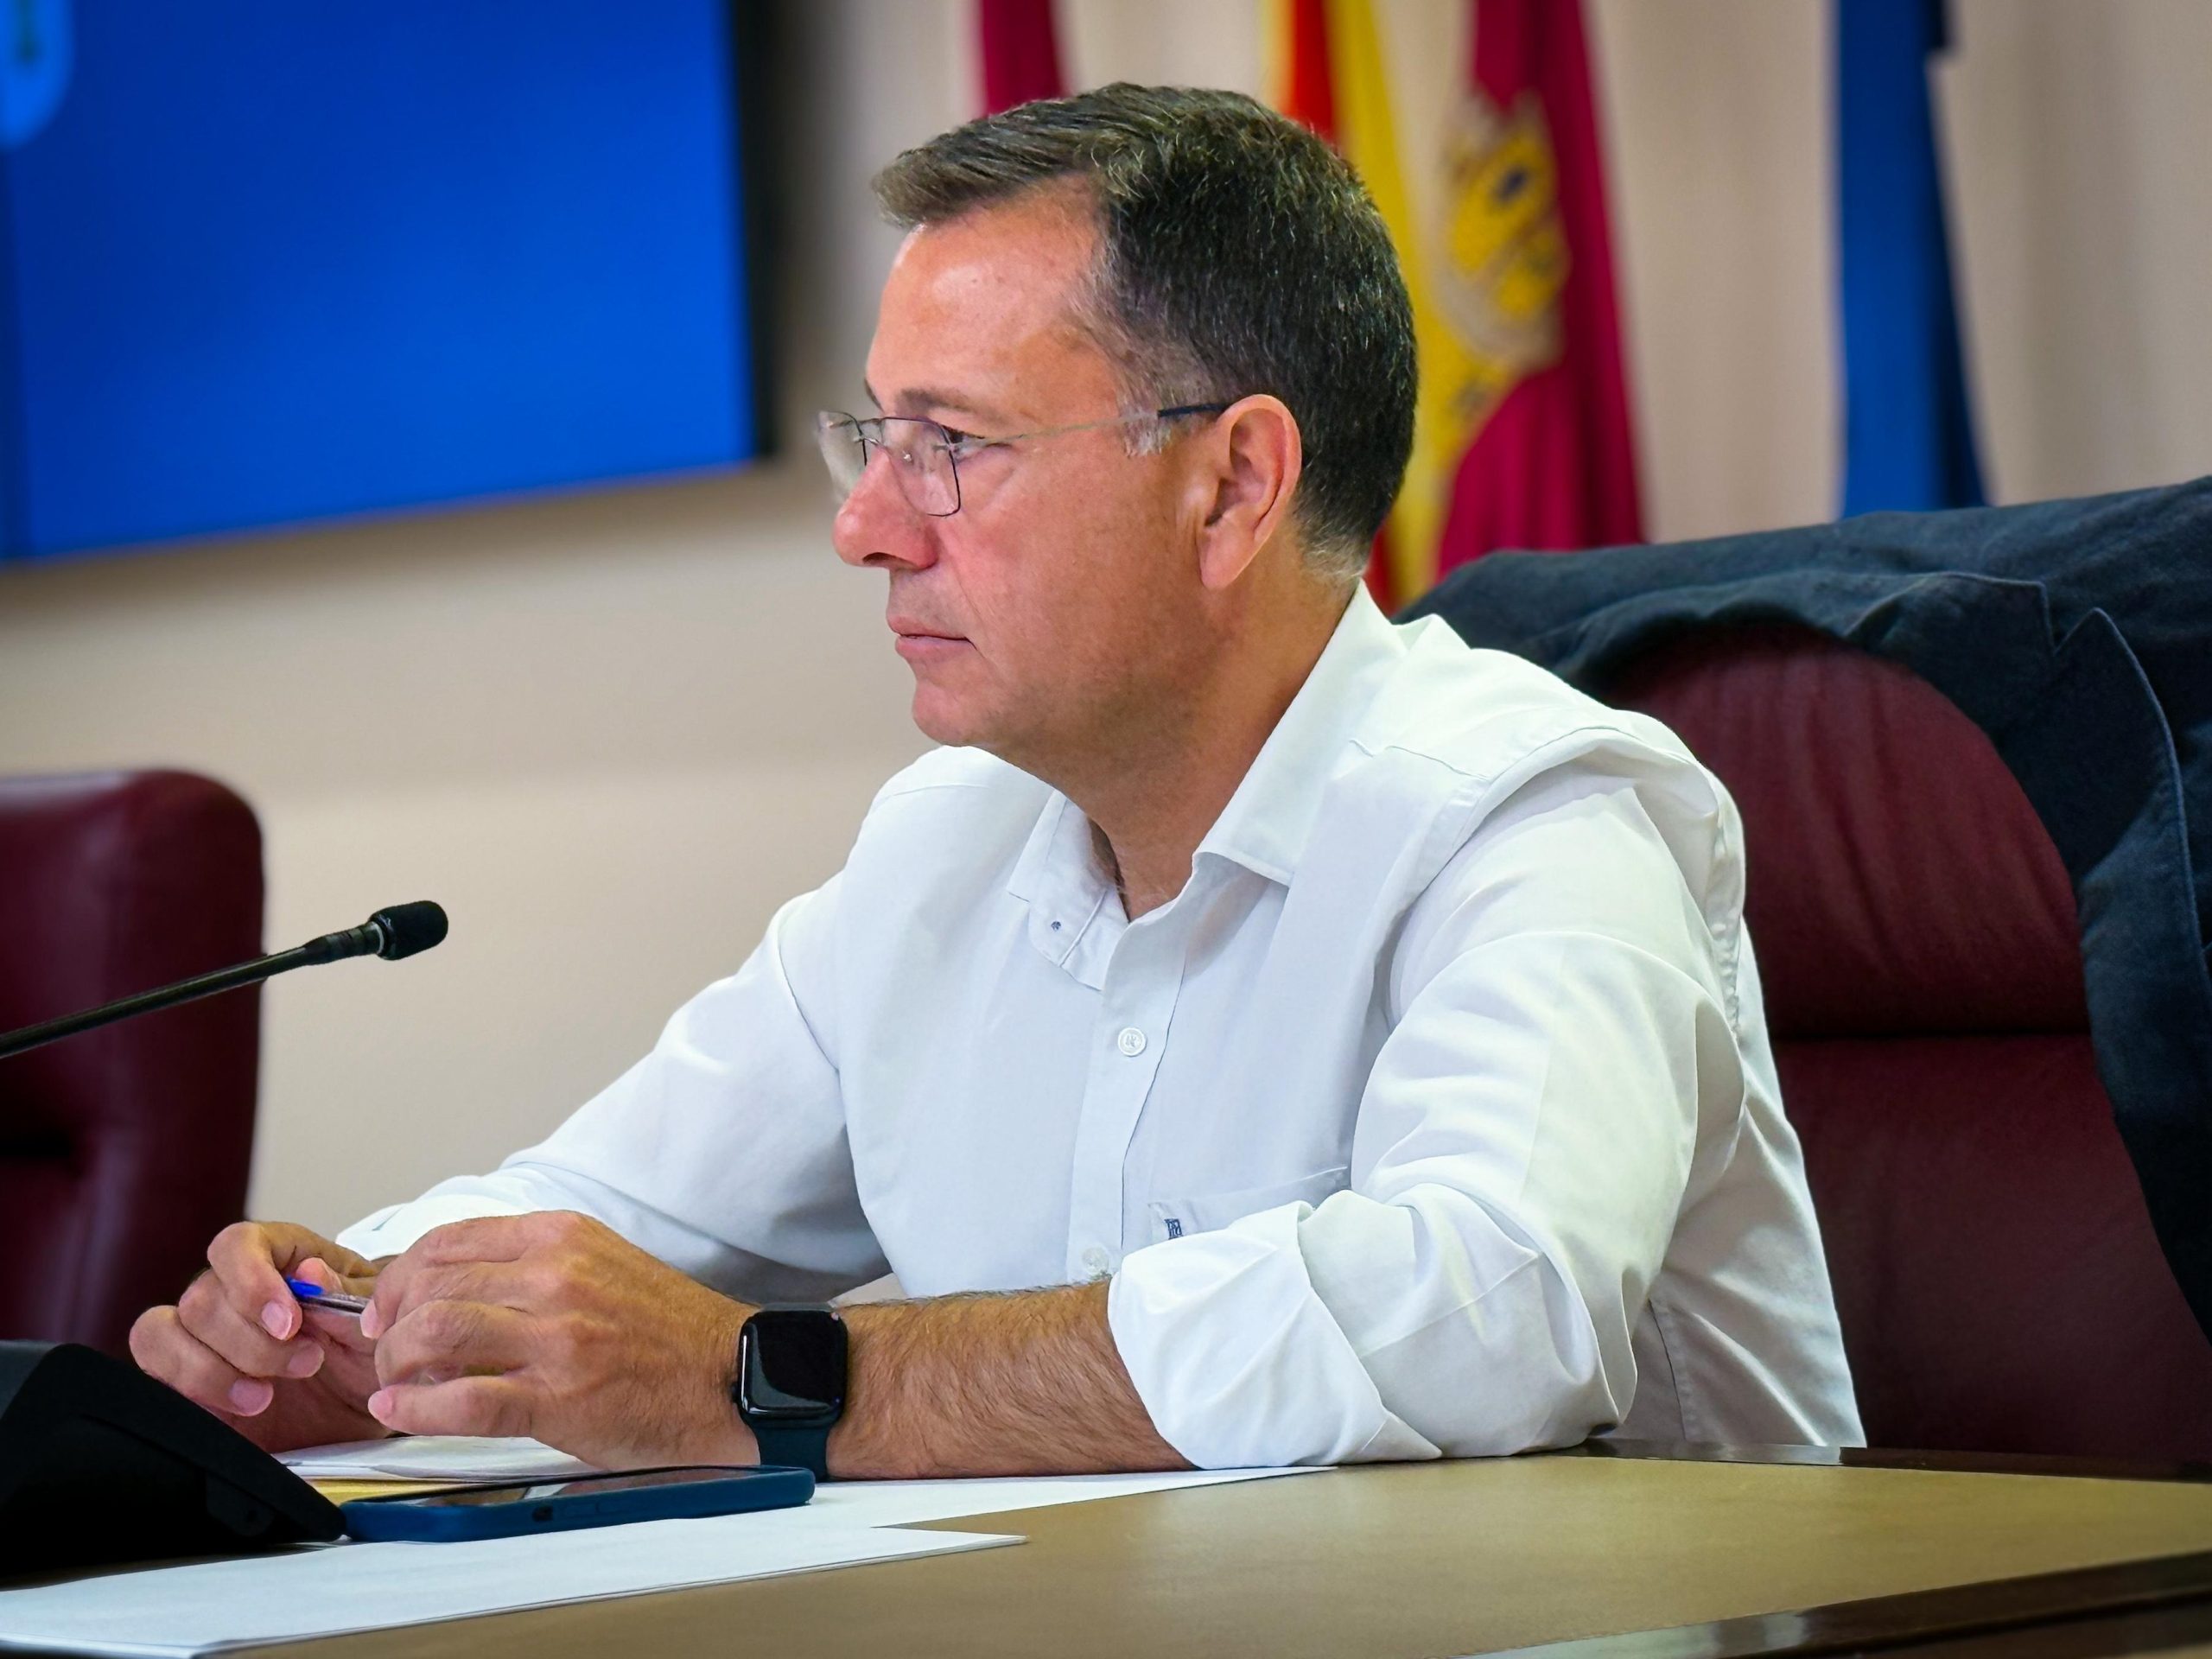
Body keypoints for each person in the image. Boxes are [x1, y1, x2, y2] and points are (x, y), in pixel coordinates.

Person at [130, 86, 1860, 1477]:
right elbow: (604, 1212)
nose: (863, 525)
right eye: (871, 440)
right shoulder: (945, 851)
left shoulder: (1533, 815)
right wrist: (345, 1317)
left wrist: (763, 1378)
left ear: (1231, 485)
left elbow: (1487, 1311)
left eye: (948, 448)